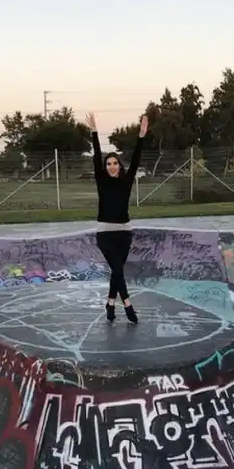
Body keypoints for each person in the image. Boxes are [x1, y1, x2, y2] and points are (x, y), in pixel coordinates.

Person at [85, 111, 148, 324]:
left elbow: (136, 158)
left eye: (115, 163)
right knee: (117, 270)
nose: (112, 166)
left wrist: (141, 136)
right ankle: (128, 304)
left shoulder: (127, 180)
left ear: (120, 165)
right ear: (105, 167)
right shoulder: (102, 180)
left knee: (117, 271)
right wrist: (94, 131)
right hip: (105, 233)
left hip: (124, 233)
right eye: (108, 163)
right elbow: (96, 155)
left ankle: (111, 303)